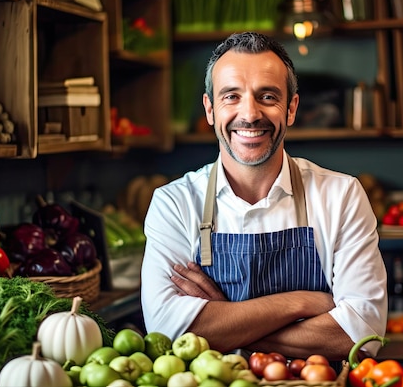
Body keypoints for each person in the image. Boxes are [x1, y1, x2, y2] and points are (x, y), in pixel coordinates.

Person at [140, 32, 388, 361]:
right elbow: (169, 331)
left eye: (267, 96)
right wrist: (302, 302)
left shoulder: (341, 196)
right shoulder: (174, 204)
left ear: (291, 108)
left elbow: (363, 333)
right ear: (210, 109)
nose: (250, 114)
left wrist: (226, 320)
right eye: (231, 96)